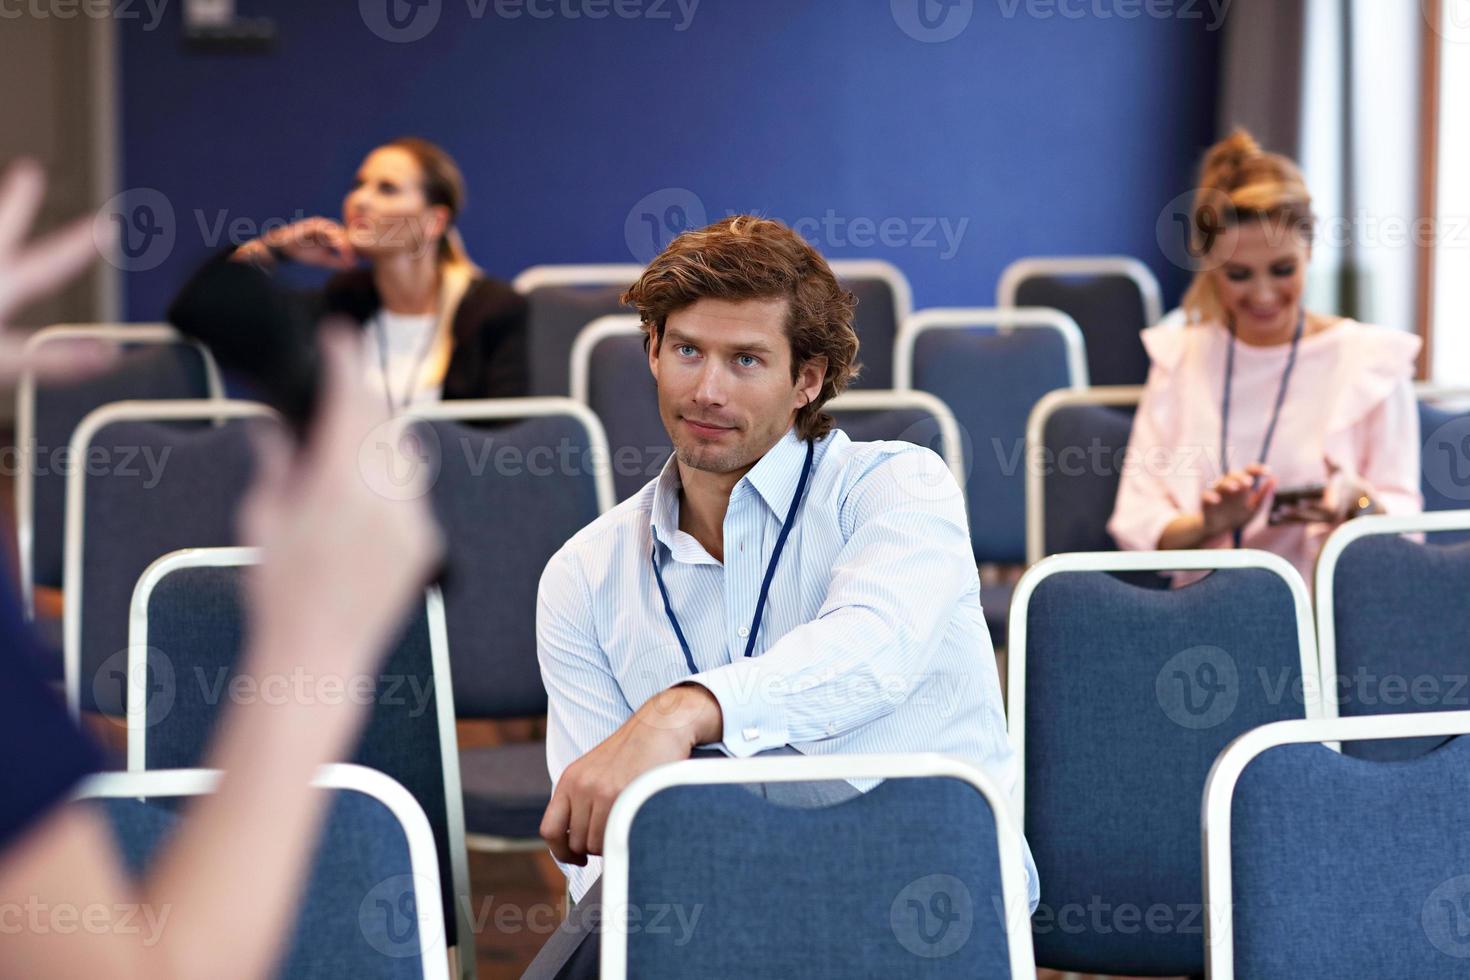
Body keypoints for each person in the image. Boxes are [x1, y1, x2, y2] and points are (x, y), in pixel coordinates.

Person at [525, 215, 1037, 976]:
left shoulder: (897, 487)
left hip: (927, 899)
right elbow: (600, 842)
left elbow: (873, 652)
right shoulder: (582, 574)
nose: (707, 389)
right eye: (688, 350)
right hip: (716, 917)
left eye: (746, 361)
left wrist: (685, 708)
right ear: (653, 353)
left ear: (807, 379)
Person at [0, 158, 444, 980]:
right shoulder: (336, 304)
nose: (364, 199)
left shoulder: (480, 310)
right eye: (361, 184)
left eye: (393, 188)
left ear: (439, 218)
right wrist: (319, 643)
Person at [1108, 129, 1422, 581]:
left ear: (1310, 251)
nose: (1263, 294)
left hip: (1330, 622)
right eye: (1238, 274)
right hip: (1207, 617)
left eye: (1282, 270)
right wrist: (1209, 524)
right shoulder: (1182, 357)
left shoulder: (1370, 361)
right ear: (1211, 266)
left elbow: (1407, 535)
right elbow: (1138, 522)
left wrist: (1359, 505)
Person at [230, 136, 527, 411]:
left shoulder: (491, 307)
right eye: (357, 185)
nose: (360, 200)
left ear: (434, 222)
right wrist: (275, 249)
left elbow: (508, 442)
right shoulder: (344, 299)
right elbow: (211, 305)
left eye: (387, 188)